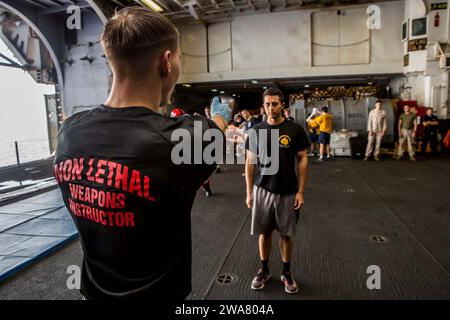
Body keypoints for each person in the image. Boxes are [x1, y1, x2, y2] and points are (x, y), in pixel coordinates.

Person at [53, 7, 232, 300]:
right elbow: (218, 129)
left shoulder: (68, 132)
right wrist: (221, 115)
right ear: (166, 62)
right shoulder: (182, 140)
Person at [245, 87, 309, 294]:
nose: (270, 108)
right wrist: (248, 192)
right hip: (263, 190)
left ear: (282, 105)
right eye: (267, 104)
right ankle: (264, 270)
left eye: (274, 104)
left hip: (288, 191)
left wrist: (300, 191)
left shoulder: (294, 130)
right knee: (264, 233)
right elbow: (250, 163)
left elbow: (302, 159)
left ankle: (286, 273)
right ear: (262, 106)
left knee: (286, 234)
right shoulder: (255, 132)